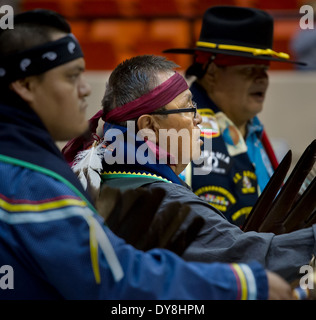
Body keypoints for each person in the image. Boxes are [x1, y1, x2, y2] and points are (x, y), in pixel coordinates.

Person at [0, 9, 290, 300]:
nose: (85, 88)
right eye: (72, 76)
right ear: (25, 86)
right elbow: (117, 280)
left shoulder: (38, 168)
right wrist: (243, 284)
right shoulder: (29, 182)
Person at [64, 53, 316, 288]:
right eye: (188, 107)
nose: (198, 119)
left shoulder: (103, 175)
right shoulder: (164, 202)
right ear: (149, 127)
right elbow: (254, 259)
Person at [163, 6, 307, 227]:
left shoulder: (254, 130)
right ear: (211, 73)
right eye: (249, 70)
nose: (262, 80)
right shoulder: (178, 127)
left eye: (264, 70)